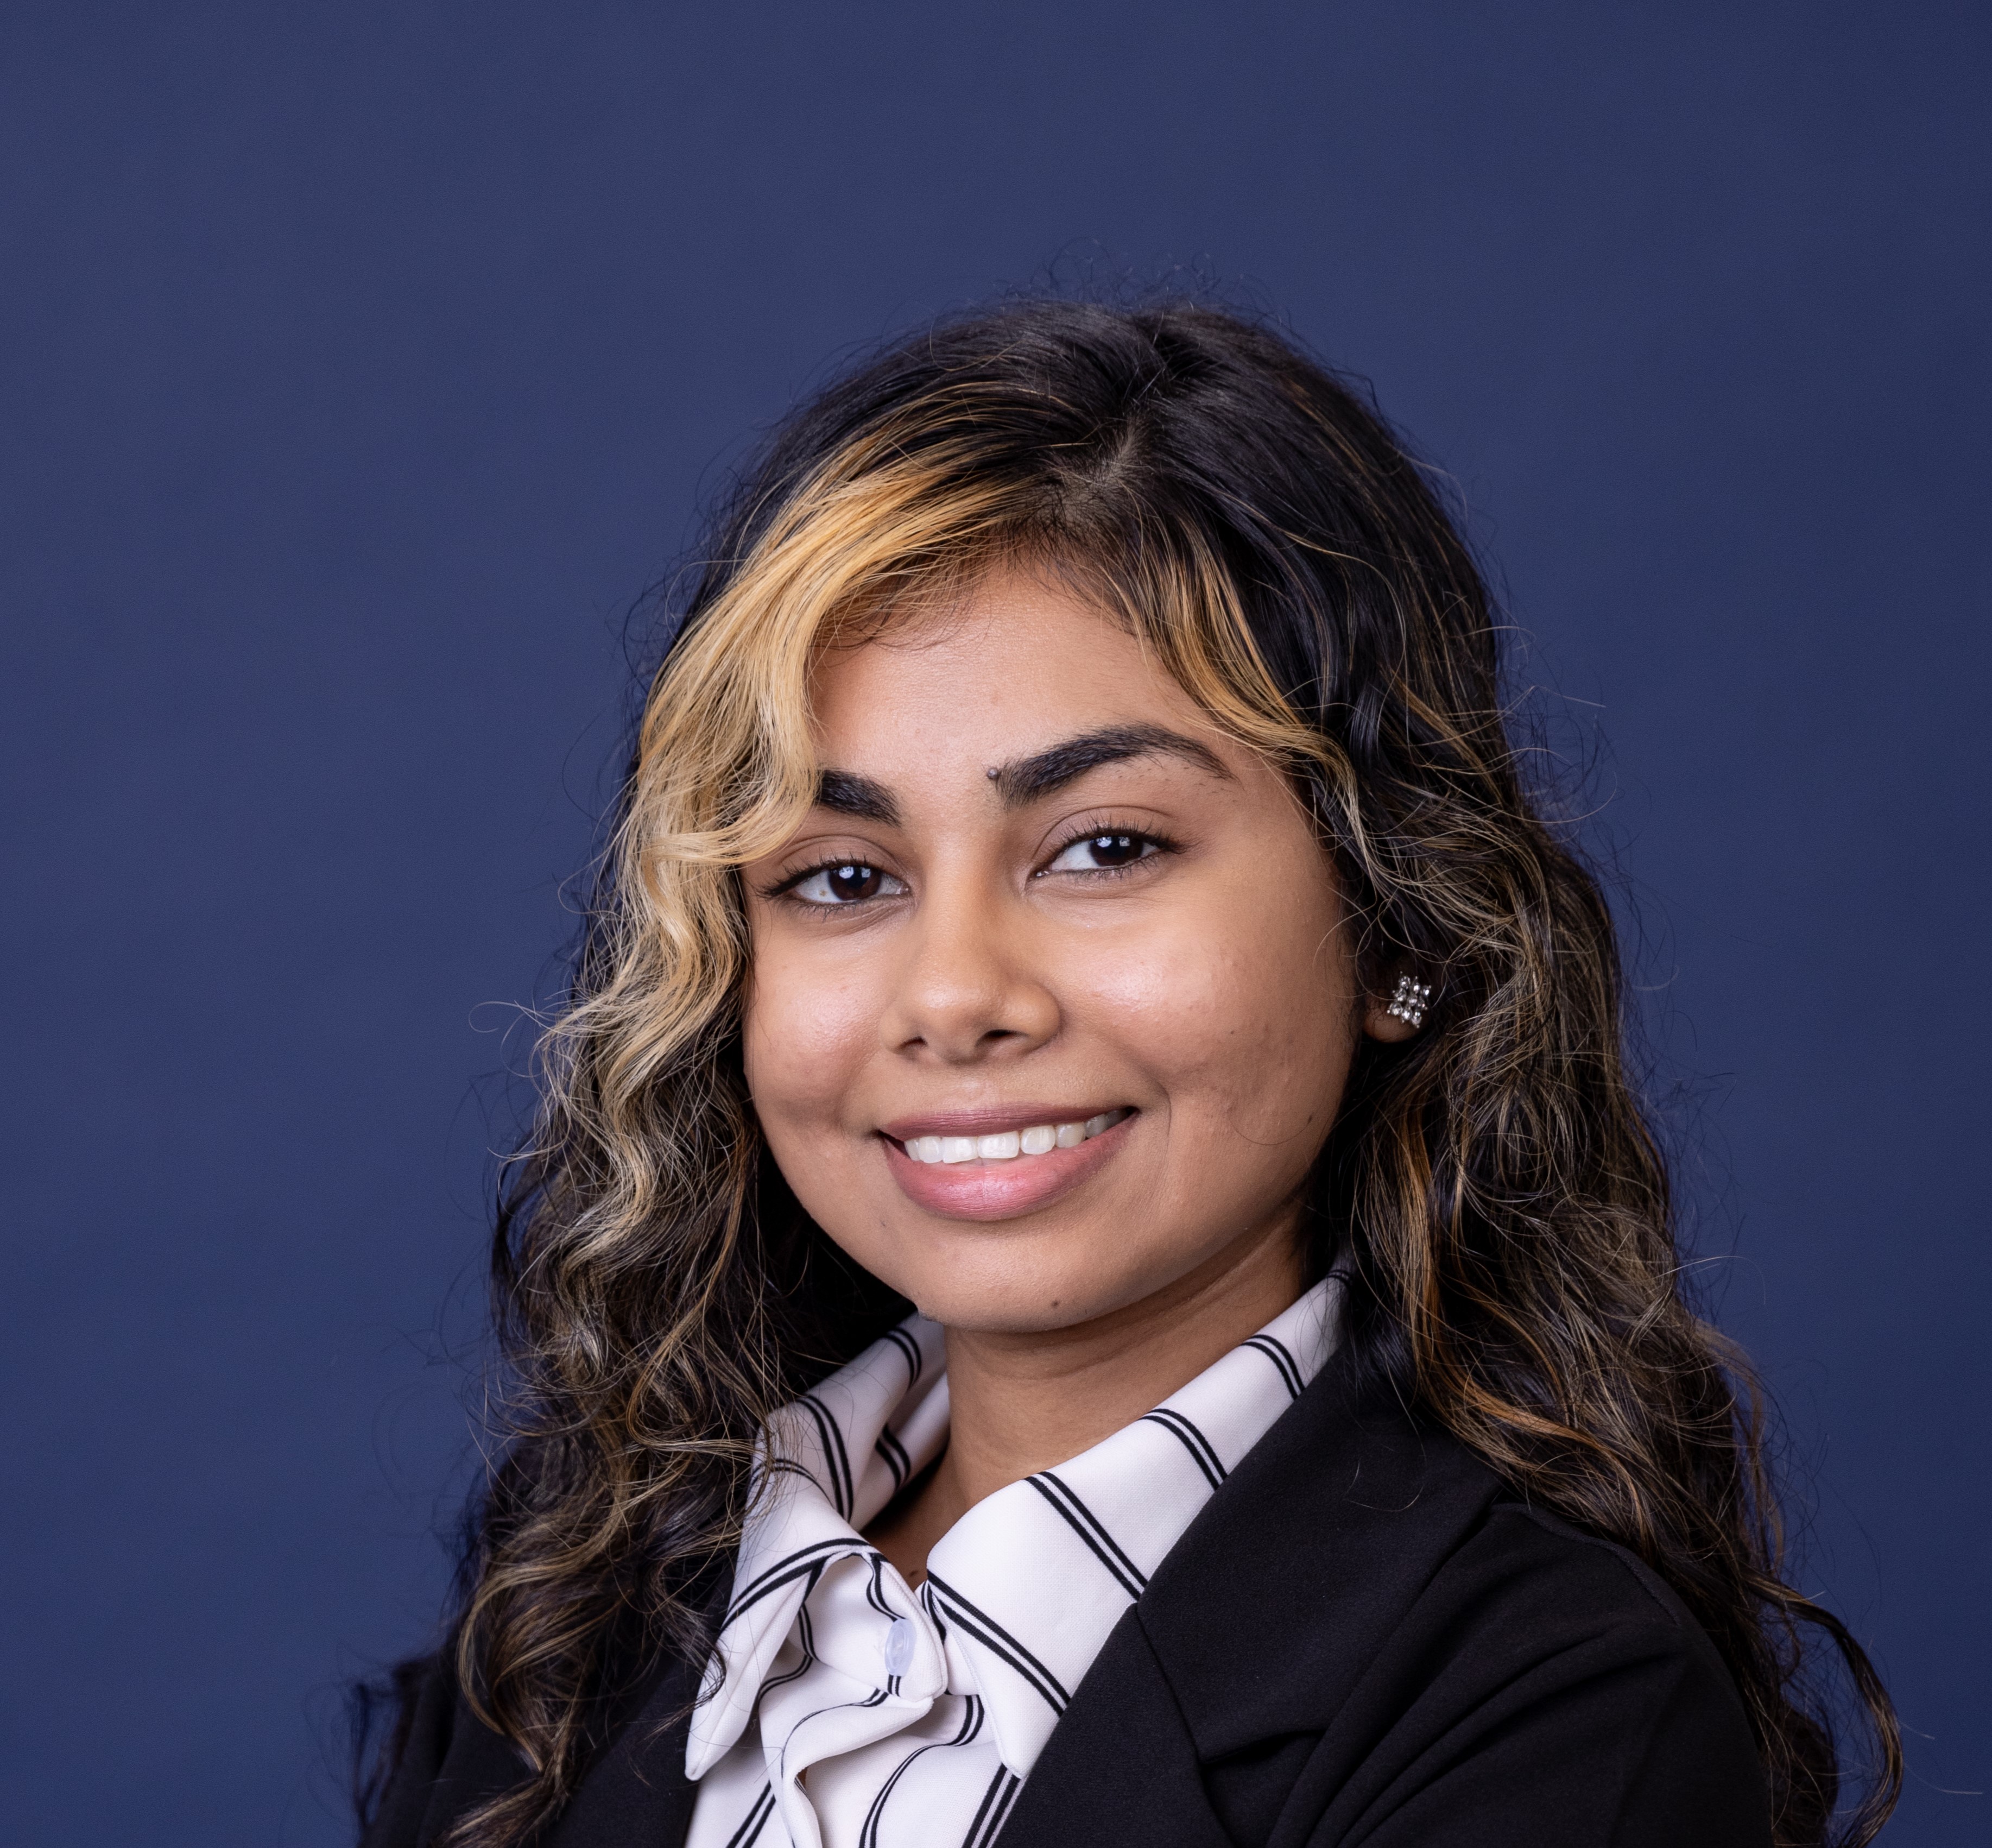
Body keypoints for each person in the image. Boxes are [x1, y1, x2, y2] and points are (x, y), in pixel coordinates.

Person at [357, 300, 1900, 1848]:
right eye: (839, 875)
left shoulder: (1551, 1718)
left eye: (1105, 847)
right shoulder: (578, 1617)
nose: (954, 996)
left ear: (1391, 926)